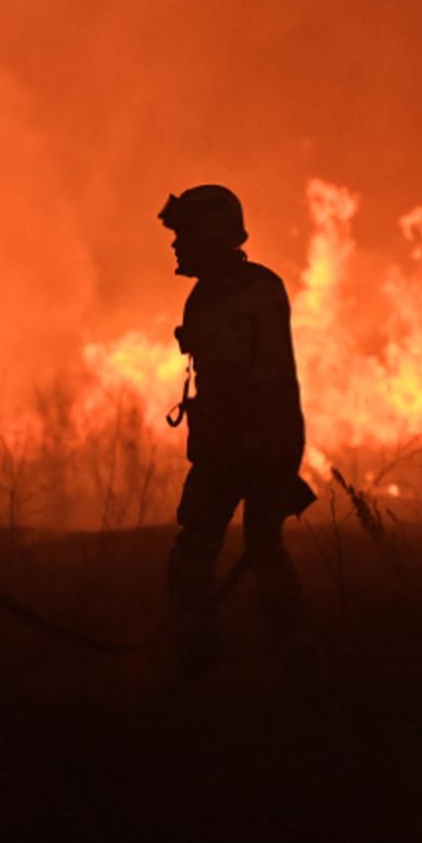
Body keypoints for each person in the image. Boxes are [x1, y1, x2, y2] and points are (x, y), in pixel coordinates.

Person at [159, 184, 315, 676]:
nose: (177, 244)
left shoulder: (244, 293)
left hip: (249, 446)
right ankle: (272, 657)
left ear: (212, 234)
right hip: (242, 446)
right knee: (245, 551)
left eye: (185, 234)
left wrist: (259, 453)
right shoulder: (223, 293)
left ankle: (211, 662)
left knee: (228, 552)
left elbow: (251, 378)